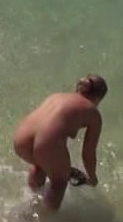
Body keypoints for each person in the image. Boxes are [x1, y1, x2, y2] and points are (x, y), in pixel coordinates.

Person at [12, 74, 108, 213]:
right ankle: (44, 220)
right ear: (98, 98)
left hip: (21, 138)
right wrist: (92, 178)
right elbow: (88, 153)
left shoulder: (56, 96)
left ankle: (31, 202)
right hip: (46, 144)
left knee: (40, 165)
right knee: (59, 181)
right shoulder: (93, 113)